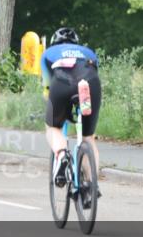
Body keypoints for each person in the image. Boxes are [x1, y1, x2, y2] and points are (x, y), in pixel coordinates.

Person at [41, 27, 102, 188]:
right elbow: (95, 72)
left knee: (53, 127)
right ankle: (92, 185)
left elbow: (47, 88)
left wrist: (52, 107)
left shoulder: (49, 53)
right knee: (88, 137)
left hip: (62, 84)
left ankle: (62, 156)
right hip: (89, 85)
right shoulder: (88, 52)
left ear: (54, 42)